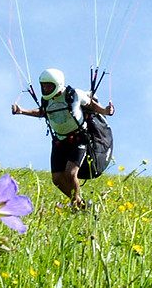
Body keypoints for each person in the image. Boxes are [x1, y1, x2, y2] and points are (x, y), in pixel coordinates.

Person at [12, 67, 114, 211]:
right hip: (59, 142)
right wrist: (22, 111)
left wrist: (105, 111)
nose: (46, 89)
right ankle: (79, 204)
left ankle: (76, 205)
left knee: (71, 174)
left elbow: (90, 104)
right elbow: (42, 113)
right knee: (57, 179)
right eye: (43, 86)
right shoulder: (46, 101)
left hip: (78, 138)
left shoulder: (74, 95)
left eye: (49, 86)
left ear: (58, 84)